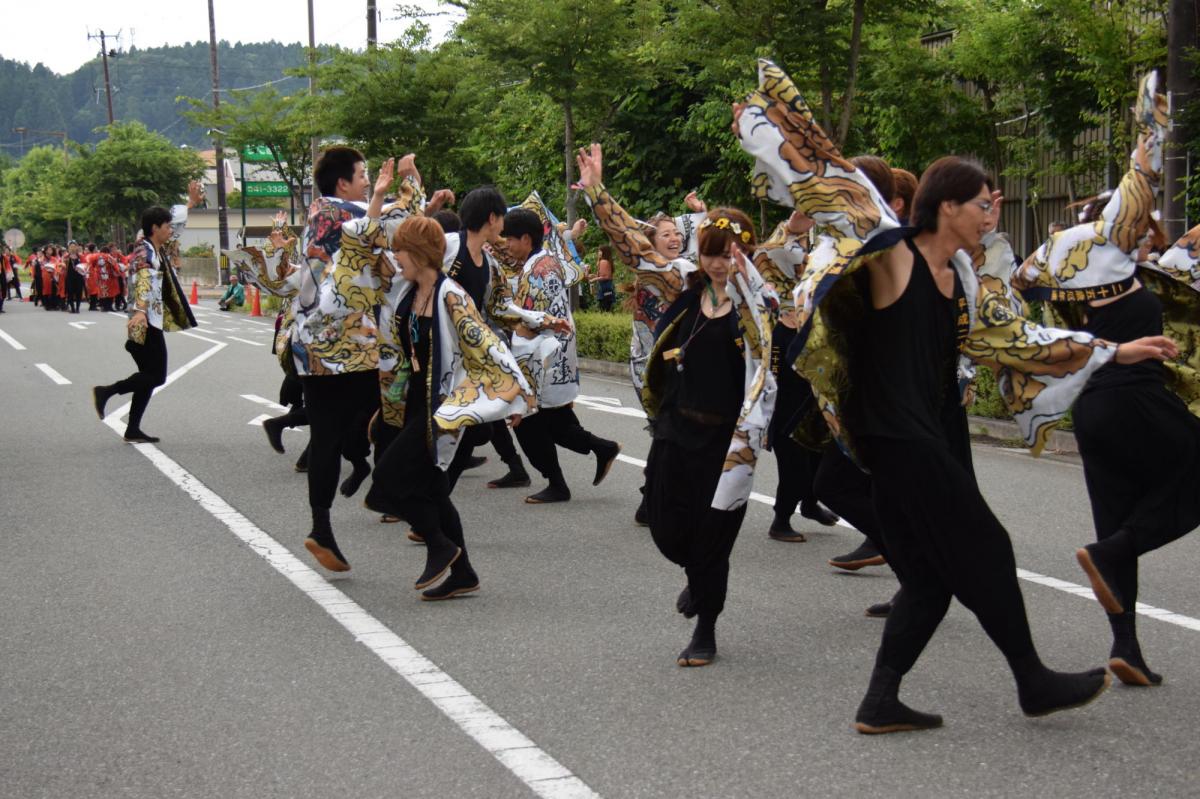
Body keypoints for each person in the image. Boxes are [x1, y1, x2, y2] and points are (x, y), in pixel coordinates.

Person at [737, 60, 1176, 733]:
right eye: (983, 203)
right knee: (988, 545)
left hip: (923, 436)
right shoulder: (893, 254)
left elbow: (1019, 340)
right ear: (948, 206)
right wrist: (773, 125)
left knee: (931, 580)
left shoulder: (964, 280)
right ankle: (1031, 678)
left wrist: (1119, 349)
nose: (990, 213)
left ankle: (880, 700)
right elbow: (833, 182)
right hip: (896, 437)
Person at [1014, 73, 1200, 687]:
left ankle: (1127, 649)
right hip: (1136, 397)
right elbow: (1138, 182)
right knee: (1144, 518)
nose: (1145, 229)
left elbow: (1019, 282)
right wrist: (1150, 136)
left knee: (1117, 516)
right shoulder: (1111, 249)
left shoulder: (1057, 262)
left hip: (1092, 409)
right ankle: (1113, 554)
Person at [636, 205, 777, 666]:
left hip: (725, 444)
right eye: (712, 253)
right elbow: (633, 249)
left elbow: (774, 363)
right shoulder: (686, 292)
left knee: (713, 539)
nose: (719, 263)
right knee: (664, 526)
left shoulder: (757, 308)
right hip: (676, 429)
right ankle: (697, 576)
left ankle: (706, 629)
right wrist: (596, 190)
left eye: (730, 253)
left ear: (747, 253)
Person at [364, 214, 533, 599]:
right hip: (412, 404)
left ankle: (439, 544)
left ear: (420, 253)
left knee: (387, 480)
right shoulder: (406, 292)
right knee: (434, 491)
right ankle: (463, 573)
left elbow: (487, 343)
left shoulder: (449, 294)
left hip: (441, 408)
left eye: (401, 249)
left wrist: (518, 395)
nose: (395, 256)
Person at [503, 205, 622, 504]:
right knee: (554, 422)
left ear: (526, 239)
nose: (506, 244)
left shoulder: (536, 271)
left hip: (543, 359)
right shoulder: (547, 262)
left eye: (510, 239)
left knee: (529, 424)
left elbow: (531, 322)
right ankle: (602, 447)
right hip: (557, 355)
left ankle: (557, 484)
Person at [92, 206, 197, 442]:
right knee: (156, 377)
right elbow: (143, 278)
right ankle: (107, 391)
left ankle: (132, 429)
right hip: (146, 321)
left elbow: (177, 229)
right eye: (167, 226)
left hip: (151, 318)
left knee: (147, 376)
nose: (171, 230)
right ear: (154, 228)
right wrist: (140, 311)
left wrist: (189, 205)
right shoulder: (144, 252)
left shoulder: (156, 247)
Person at [589, 245, 616, 311]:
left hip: (605, 288)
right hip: (607, 288)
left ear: (604, 252)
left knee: (604, 309)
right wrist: (594, 276)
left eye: (599, 251)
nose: (598, 253)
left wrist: (594, 279)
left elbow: (605, 277)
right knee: (606, 308)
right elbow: (604, 275)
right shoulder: (607, 261)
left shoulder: (603, 261)